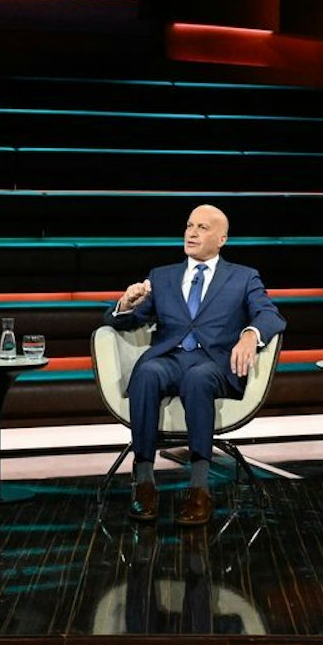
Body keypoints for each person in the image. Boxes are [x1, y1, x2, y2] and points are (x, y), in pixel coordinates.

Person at [107, 204, 286, 526]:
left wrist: (249, 335)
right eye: (189, 225)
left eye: (203, 228)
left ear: (222, 239)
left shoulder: (244, 277)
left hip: (213, 362)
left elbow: (270, 315)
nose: (192, 232)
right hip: (169, 359)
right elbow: (127, 320)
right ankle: (144, 482)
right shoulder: (162, 276)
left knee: (199, 378)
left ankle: (199, 487)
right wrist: (124, 303)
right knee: (146, 372)